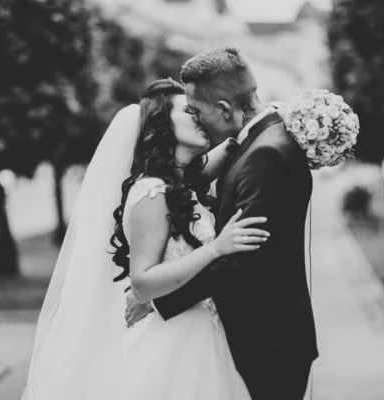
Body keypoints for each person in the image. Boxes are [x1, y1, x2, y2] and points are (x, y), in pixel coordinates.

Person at [22, 78, 268, 400]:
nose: (201, 117)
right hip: (171, 347)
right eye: (190, 111)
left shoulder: (183, 183)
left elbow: (232, 141)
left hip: (200, 337)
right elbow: (142, 283)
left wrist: (266, 115)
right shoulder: (150, 191)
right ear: (162, 124)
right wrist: (217, 248)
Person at [127, 47, 318, 400]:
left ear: (225, 109)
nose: (197, 120)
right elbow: (186, 185)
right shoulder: (258, 144)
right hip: (252, 340)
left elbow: (242, 258)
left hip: (268, 343)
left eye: (196, 112)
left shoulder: (264, 155)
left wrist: (158, 300)